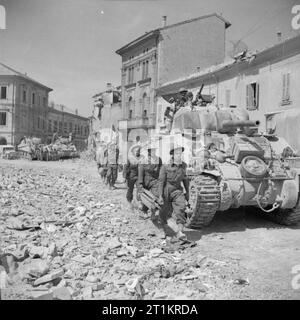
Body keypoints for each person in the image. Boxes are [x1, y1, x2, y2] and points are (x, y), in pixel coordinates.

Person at [158, 144, 189, 240]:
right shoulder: (165, 166)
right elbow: (161, 182)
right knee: (163, 211)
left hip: (177, 190)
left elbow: (185, 179)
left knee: (181, 208)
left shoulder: (184, 165)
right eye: (177, 154)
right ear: (172, 155)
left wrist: (187, 192)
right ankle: (163, 228)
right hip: (166, 189)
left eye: (180, 153)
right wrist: (160, 196)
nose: (179, 155)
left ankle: (180, 232)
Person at [137, 143, 162, 218]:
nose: (153, 152)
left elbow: (161, 170)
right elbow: (141, 172)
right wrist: (140, 183)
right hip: (145, 180)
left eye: (154, 150)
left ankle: (153, 211)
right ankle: (143, 211)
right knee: (145, 196)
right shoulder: (144, 160)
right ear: (149, 151)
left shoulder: (158, 159)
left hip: (155, 181)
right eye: (152, 151)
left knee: (156, 196)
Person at [123, 144, 144, 209]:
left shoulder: (142, 158)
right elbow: (126, 168)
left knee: (140, 189)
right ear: (133, 151)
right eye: (136, 151)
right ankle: (129, 201)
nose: (137, 152)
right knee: (130, 189)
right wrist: (125, 177)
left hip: (138, 177)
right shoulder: (129, 158)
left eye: (138, 151)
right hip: (131, 177)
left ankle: (140, 202)